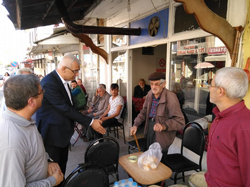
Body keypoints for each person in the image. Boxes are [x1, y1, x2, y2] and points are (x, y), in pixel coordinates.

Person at [36, 53, 105, 186]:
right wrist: (90, 122)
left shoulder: (63, 81)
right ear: (63, 69)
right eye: (75, 71)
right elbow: (65, 109)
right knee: (54, 172)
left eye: (78, 71)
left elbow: (69, 107)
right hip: (52, 136)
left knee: (61, 169)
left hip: (62, 134)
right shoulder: (49, 83)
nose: (77, 74)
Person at [0, 75, 63, 186]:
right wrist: (52, 181)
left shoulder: (24, 120)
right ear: (31, 102)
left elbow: (31, 151)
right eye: (41, 91)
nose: (44, 93)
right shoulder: (12, 142)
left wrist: (46, 161)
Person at [205, 67, 250, 186]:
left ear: (220, 91)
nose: (209, 88)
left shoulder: (244, 127)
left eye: (211, 85)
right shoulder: (219, 115)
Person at [130, 72, 185, 155]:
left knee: (159, 158)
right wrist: (135, 124)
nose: (153, 87)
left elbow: (180, 121)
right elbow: (144, 112)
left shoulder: (171, 97)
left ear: (164, 84)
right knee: (150, 155)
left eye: (157, 84)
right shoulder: (149, 94)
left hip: (163, 132)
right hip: (150, 127)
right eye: (151, 84)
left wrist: (164, 126)